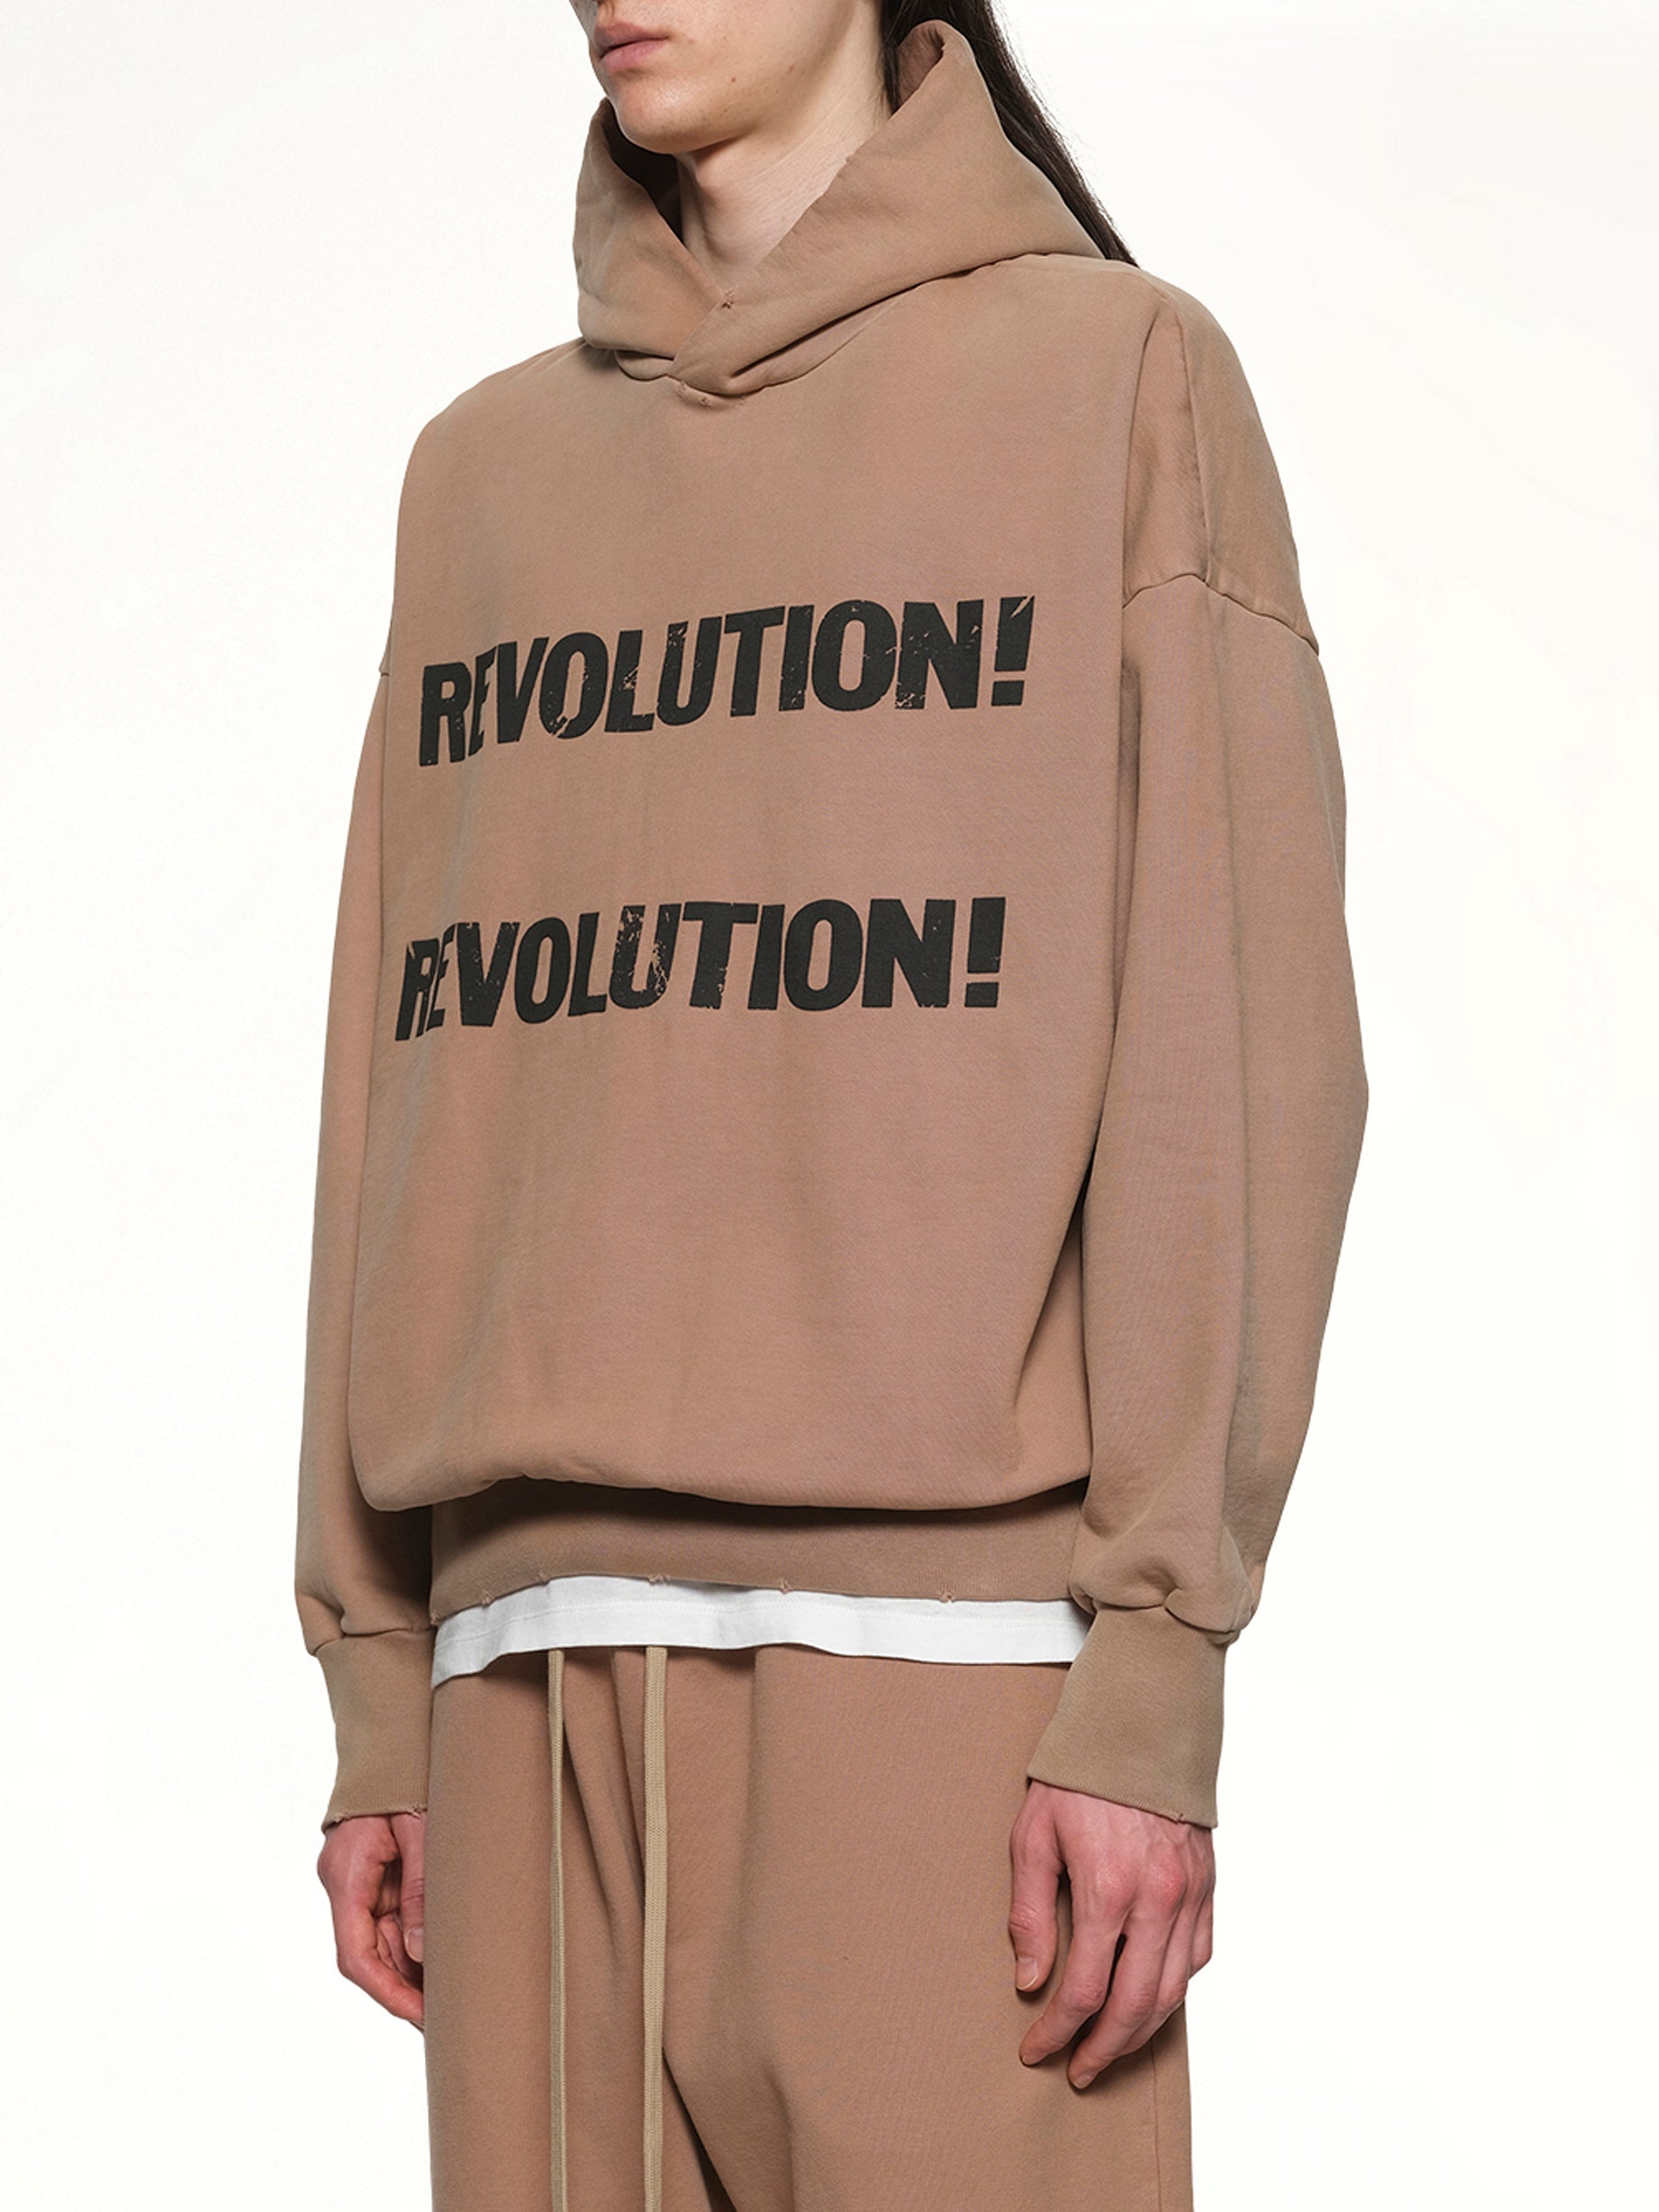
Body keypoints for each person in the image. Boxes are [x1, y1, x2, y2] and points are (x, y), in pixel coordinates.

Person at [295, 5, 1369, 2206]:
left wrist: (1154, 1666)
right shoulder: (479, 474)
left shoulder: (1113, 380)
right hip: (517, 1684)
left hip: (945, 1690)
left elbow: (1233, 1050)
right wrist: (379, 1674)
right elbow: (394, 1075)